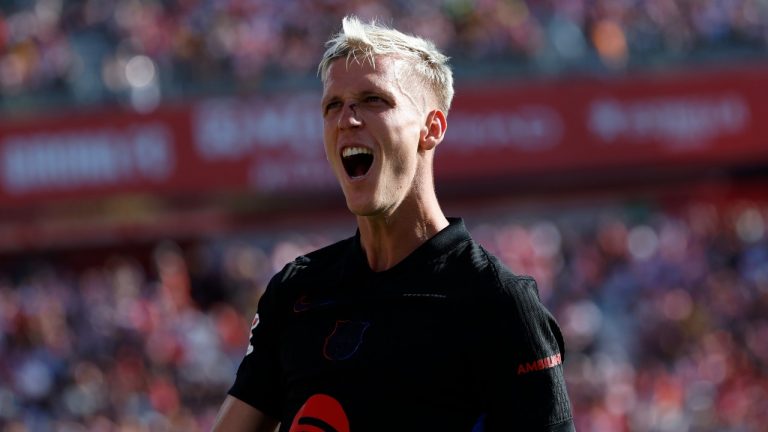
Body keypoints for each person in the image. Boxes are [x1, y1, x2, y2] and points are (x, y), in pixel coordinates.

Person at [213, 15, 574, 432]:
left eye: (373, 100)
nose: (347, 119)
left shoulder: (499, 304)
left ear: (431, 128)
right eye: (333, 105)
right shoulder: (295, 292)